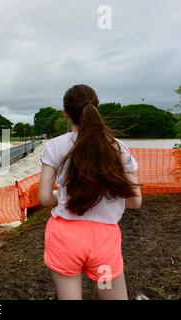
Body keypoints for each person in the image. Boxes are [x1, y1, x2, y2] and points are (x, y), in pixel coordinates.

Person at [38, 84, 142, 300]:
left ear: (65, 114)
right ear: (96, 108)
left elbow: (45, 198)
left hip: (65, 240)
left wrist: (63, 196)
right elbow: (135, 201)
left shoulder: (54, 146)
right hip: (102, 242)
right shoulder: (118, 147)